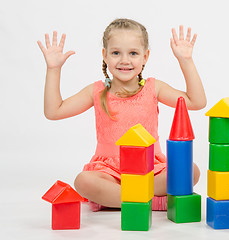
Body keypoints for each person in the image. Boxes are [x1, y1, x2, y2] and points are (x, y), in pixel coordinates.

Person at [37, 18, 206, 211]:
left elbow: (196, 102)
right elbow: (53, 111)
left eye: (133, 53)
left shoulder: (154, 88)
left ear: (145, 57)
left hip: (151, 169)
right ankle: (151, 202)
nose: (124, 60)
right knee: (83, 181)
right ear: (105, 55)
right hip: (109, 173)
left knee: (190, 170)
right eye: (116, 53)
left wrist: (186, 61)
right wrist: (53, 69)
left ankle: (120, 199)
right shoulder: (96, 91)